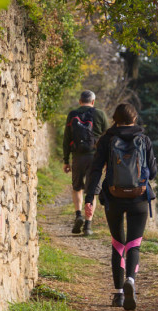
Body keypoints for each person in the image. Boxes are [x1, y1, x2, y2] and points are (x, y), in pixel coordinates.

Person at [84, 103, 157, 311]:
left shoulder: (107, 139)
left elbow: (96, 170)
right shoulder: (143, 139)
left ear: (115, 118)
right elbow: (152, 173)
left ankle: (118, 295)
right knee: (134, 243)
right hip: (139, 198)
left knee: (118, 243)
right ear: (134, 119)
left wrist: (90, 197)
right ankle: (131, 281)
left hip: (113, 197)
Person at [63, 90, 110, 236]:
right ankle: (88, 225)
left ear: (79, 101)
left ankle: (78, 215)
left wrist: (66, 160)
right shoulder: (100, 114)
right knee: (92, 191)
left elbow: (66, 139)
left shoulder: (72, 114)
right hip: (95, 158)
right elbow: (108, 138)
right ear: (93, 102)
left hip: (77, 157)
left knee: (77, 187)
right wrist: (107, 160)